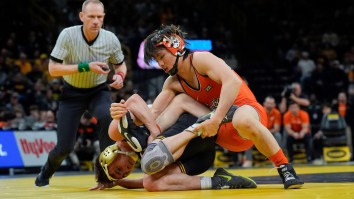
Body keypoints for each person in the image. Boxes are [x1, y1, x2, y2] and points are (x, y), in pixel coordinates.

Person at [139, 24, 303, 189]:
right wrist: (131, 124)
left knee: (241, 119)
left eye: (161, 56)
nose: (160, 64)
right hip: (219, 127)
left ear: (175, 47)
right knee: (180, 101)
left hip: (244, 113)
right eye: (156, 60)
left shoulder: (200, 59)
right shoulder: (173, 82)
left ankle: (285, 168)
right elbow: (154, 111)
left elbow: (233, 81)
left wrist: (216, 118)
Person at [35, 0, 127, 187]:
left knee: (106, 117)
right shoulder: (68, 35)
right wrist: (86, 67)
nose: (95, 21)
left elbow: (120, 64)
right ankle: (46, 171)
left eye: (99, 17)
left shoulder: (110, 38)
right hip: (71, 93)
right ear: (81, 16)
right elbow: (53, 69)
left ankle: (105, 177)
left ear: (103, 17)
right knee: (65, 147)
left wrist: (120, 76)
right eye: (91, 16)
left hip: (98, 91)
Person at [91, 93, 256, 191]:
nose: (125, 171)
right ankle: (219, 181)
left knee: (152, 155)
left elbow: (133, 100)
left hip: (188, 123)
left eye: (118, 169)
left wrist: (153, 130)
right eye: (122, 174)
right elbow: (143, 181)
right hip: (200, 157)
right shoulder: (144, 155)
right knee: (151, 182)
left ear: (111, 153)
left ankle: (211, 120)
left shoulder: (117, 133)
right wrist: (118, 182)